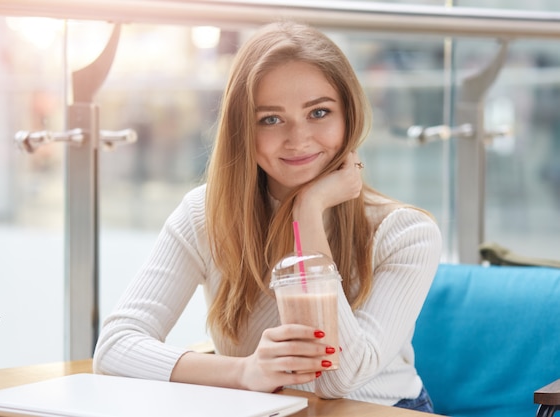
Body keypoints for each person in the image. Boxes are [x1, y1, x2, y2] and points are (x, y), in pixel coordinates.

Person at [93, 20, 441, 413]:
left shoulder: (406, 232)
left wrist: (307, 212)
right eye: (271, 119)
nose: (298, 138)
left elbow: (335, 378)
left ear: (349, 116)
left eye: (319, 112)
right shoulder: (203, 214)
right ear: (243, 129)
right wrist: (244, 372)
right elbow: (115, 347)